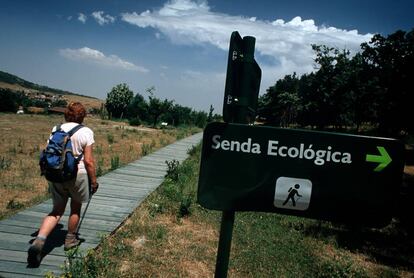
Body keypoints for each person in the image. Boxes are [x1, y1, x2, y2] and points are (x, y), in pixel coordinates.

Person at [27, 102, 99, 266]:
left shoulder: (56, 129)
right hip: (77, 174)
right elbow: (88, 161)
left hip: (56, 174)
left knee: (56, 211)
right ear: (82, 116)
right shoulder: (86, 131)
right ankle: (70, 239)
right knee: (75, 207)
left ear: (66, 114)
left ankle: (39, 240)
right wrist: (93, 181)